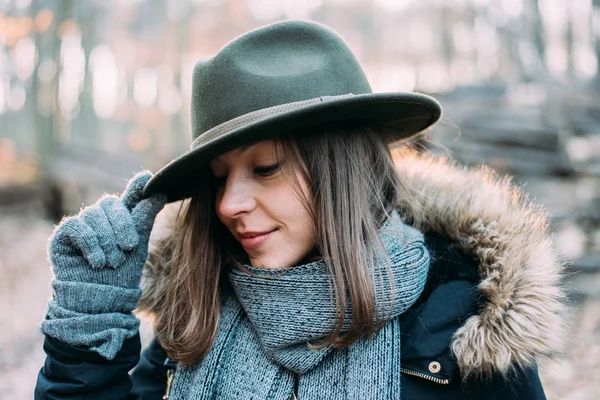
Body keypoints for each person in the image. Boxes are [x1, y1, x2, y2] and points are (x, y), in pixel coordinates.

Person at [35, 20, 565, 399]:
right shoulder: (197, 316)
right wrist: (87, 335)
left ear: (342, 172)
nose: (228, 204)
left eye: (266, 168)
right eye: (218, 177)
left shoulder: (465, 323)